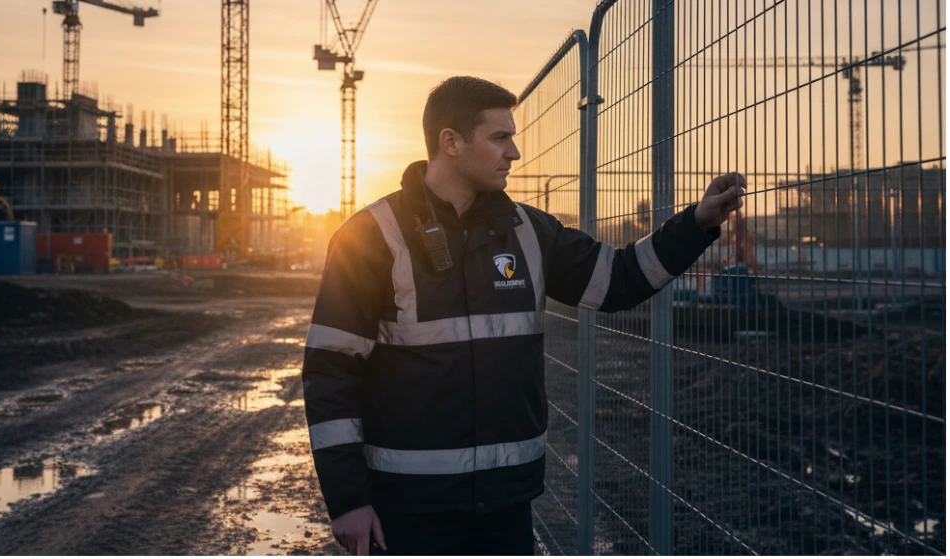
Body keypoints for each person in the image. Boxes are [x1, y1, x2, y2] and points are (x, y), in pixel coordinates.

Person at [302, 76, 745, 556]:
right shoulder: (369, 237)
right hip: (407, 510)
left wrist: (696, 224)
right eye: (499, 138)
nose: (513, 153)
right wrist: (347, 500)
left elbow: (618, 279)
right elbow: (330, 371)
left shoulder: (530, 231)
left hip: (506, 507)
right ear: (449, 142)